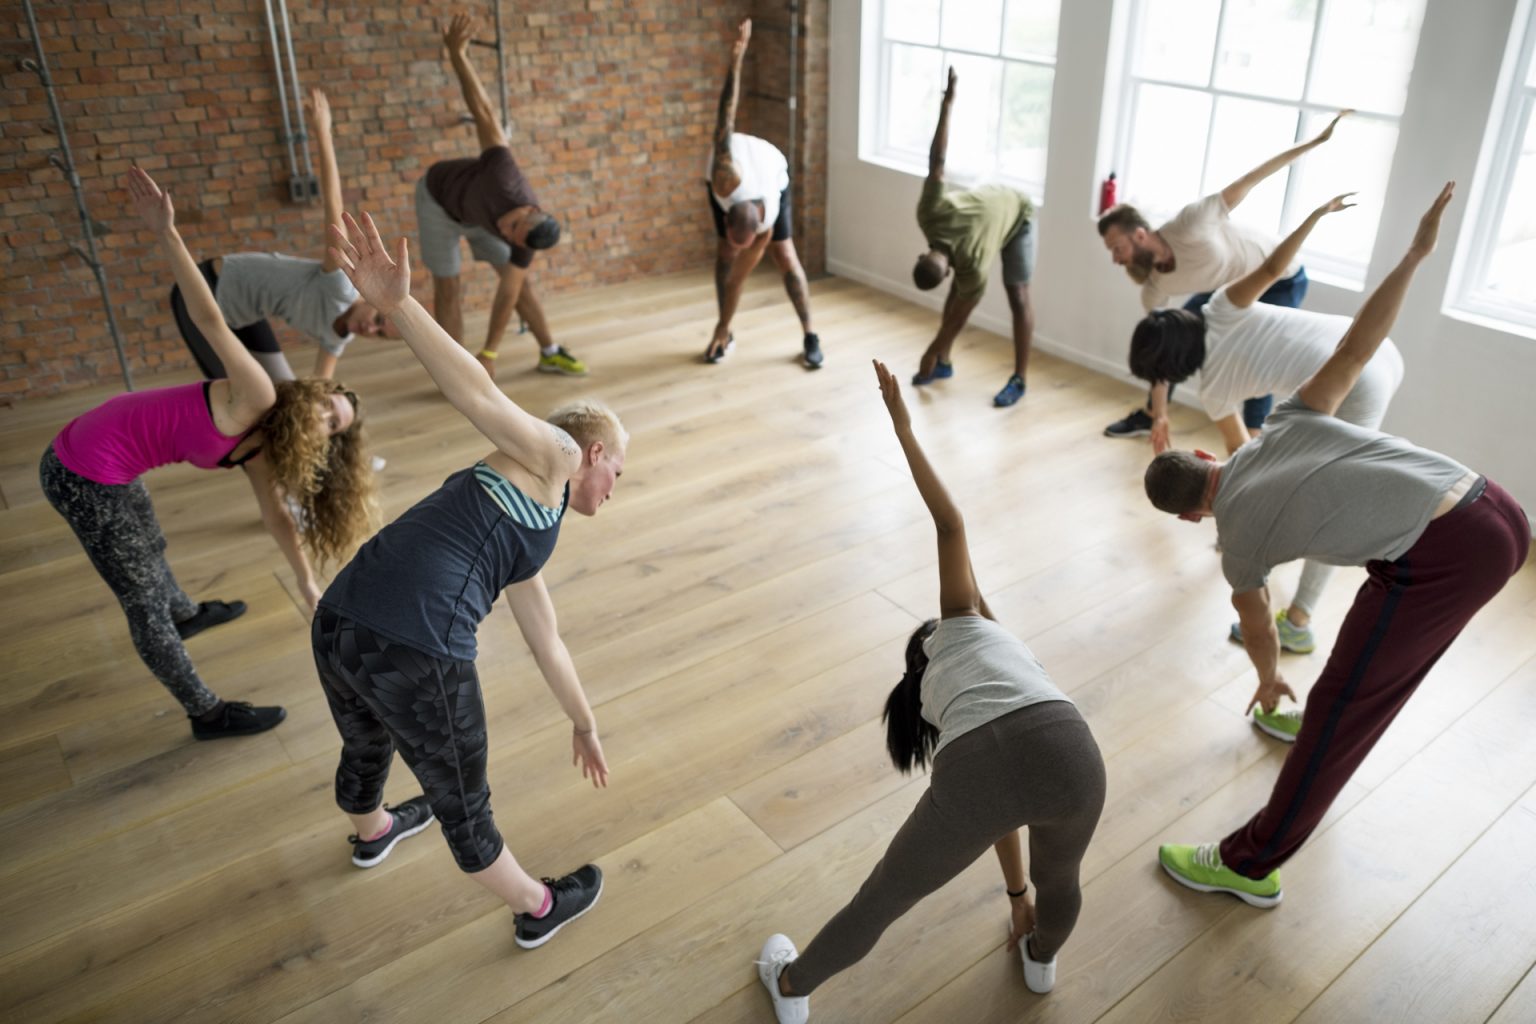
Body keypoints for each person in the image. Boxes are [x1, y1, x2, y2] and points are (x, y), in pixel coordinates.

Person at [1144, 184, 1529, 905]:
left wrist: (1264, 681)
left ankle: (1248, 865)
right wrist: (1414, 256)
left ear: (1191, 517)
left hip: (1449, 555)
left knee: (1344, 708)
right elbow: (1359, 342)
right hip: (1496, 504)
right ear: (1205, 460)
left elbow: (1257, 628)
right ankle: (1308, 729)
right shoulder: (1287, 421)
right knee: (1357, 684)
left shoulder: (1238, 546)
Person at [755, 360, 1106, 1022]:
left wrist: (903, 426)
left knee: (883, 898)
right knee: (1066, 879)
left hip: (982, 765)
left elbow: (999, 796)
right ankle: (1040, 960)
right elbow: (952, 530)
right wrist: (903, 429)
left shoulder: (947, 689)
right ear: (935, 634)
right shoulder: (978, 632)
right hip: (1068, 742)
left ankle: (793, 987)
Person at [314, 208, 622, 948]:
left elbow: (548, 640)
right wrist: (399, 305)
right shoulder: (556, 454)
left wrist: (583, 722)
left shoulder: (525, 528)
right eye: (619, 466)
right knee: (465, 804)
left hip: (341, 618)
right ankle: (538, 908)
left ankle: (373, 831)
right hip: (416, 644)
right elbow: (477, 396)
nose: (616, 485)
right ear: (595, 449)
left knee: (367, 745)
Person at [41, 167, 376, 740]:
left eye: (333, 428)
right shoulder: (259, 394)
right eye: (328, 409)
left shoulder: (261, 448)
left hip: (114, 460)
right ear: (314, 394)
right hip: (81, 470)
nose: (324, 423)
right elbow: (209, 319)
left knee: (149, 541)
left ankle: (187, 613)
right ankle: (206, 712)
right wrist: (167, 233)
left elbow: (276, 518)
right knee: (141, 598)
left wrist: (307, 586)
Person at [1128, 192, 1405, 658]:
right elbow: (1275, 267)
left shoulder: (1214, 390)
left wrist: (1236, 520)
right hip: (1377, 347)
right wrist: (1314, 215)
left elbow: (1242, 454)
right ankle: (1299, 606)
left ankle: (1299, 620)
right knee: (1318, 483)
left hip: (1354, 384)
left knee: (1327, 505)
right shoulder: (1219, 307)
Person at [1100, 110, 1351, 439]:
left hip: (1280, 277)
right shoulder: (1155, 287)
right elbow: (1159, 351)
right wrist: (1162, 415)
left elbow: (1251, 178)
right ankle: (1151, 415)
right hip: (1227, 291)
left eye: (1118, 248)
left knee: (1255, 357)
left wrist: (1314, 142)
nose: (1116, 259)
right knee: (1171, 335)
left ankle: (1253, 433)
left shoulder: (1190, 224)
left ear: (1141, 235)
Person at [173, 88, 389, 382]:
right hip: (204, 290)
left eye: (379, 335)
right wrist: (322, 131)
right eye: (378, 320)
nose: (371, 329)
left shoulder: (339, 337)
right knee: (240, 394)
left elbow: (320, 385)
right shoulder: (340, 286)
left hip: (245, 315)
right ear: (372, 301)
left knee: (288, 396)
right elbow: (334, 206)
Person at [418, 13, 584, 380]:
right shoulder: (503, 174)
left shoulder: (524, 236)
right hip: (439, 199)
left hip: (476, 218)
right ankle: (454, 375)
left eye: (514, 239)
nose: (508, 237)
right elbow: (483, 110)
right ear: (527, 209)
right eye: (512, 229)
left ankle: (550, 351)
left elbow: (506, 293)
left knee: (519, 284)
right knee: (448, 286)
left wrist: (490, 351)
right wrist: (458, 54)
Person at [910, 68, 1038, 408]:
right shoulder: (928, 214)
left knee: (1018, 295)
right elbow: (936, 161)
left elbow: (962, 314)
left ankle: (1020, 379)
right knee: (959, 297)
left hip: (1018, 214)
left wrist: (929, 349)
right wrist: (946, 104)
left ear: (927, 259)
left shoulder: (973, 262)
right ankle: (945, 363)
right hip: (992, 198)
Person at [703, 19, 823, 370]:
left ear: (756, 230)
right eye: (734, 238)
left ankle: (810, 334)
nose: (739, 245)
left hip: (771, 167)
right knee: (724, 259)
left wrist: (720, 322)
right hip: (737, 165)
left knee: (786, 257)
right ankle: (725, 331)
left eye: (746, 241)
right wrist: (735, 62)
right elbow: (724, 118)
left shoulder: (768, 214)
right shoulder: (724, 178)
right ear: (726, 219)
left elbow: (741, 276)